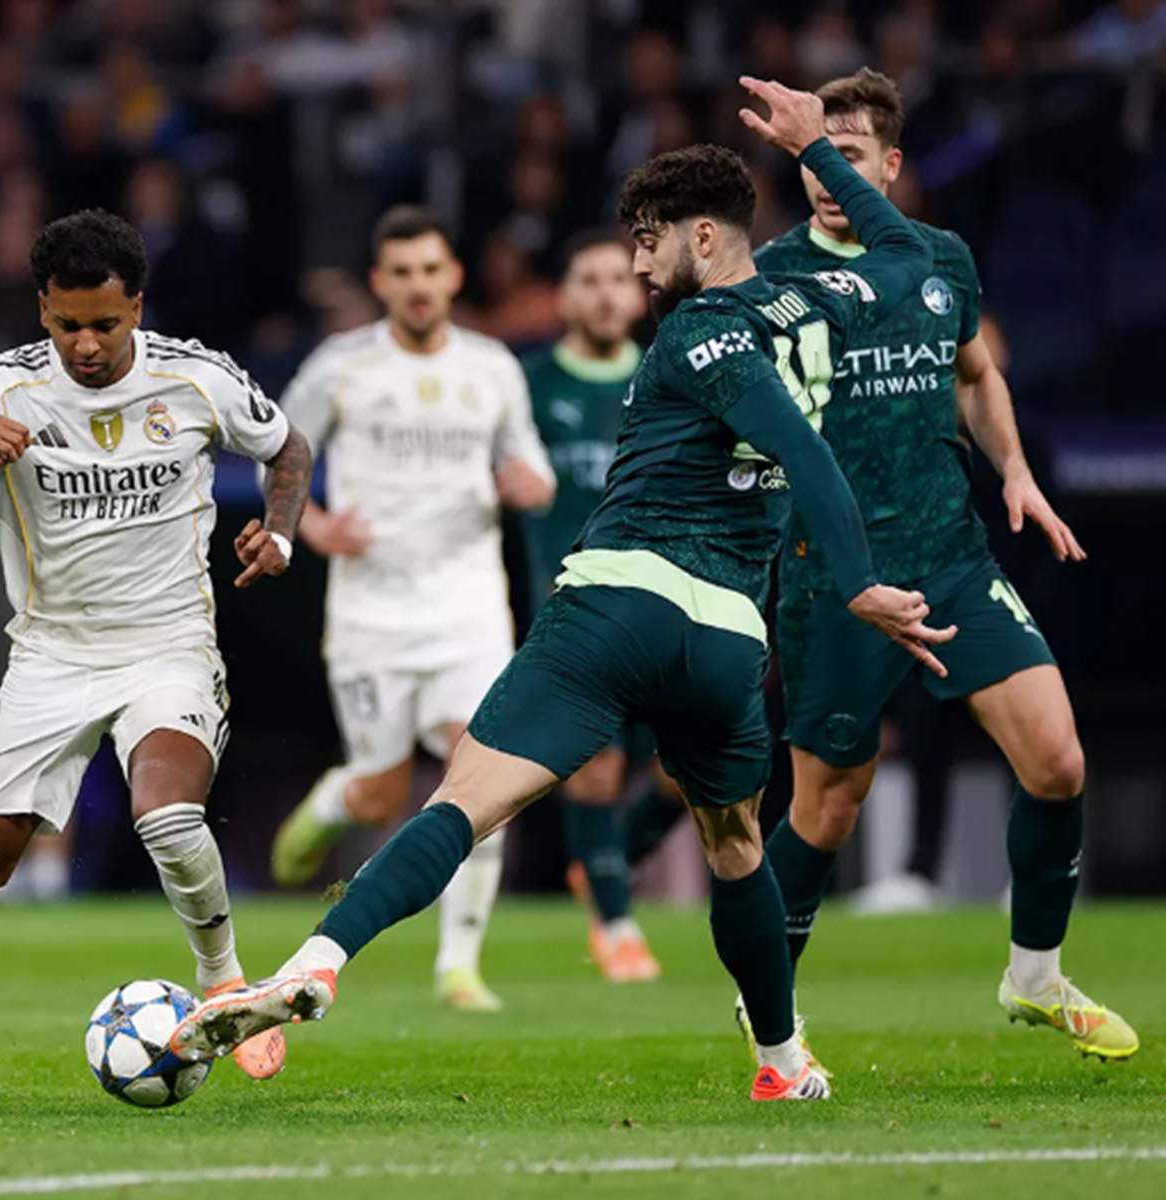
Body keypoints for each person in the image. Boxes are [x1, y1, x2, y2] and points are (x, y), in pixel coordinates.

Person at [169, 77, 955, 1103]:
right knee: (731, 844)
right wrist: (819, 151)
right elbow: (900, 256)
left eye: (648, 238)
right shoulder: (818, 295)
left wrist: (854, 584)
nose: (635, 262)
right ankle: (781, 1060)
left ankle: (314, 965)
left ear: (706, 239)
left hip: (616, 605)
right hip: (725, 635)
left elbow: (803, 452)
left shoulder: (695, 334)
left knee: (459, 804)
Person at [751, 68, 1135, 1061]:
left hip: (948, 553)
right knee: (824, 808)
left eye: (847, 156)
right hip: (835, 574)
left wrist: (1012, 470)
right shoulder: (775, 276)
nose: (826, 176)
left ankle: (1033, 976)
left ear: (890, 164)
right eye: (812, 156)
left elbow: (974, 372)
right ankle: (769, 1011)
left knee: (1055, 761)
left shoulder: (941, 261)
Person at [0, 209, 313, 1080]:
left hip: (168, 642)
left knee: (167, 816)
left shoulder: (196, 378)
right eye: (65, 325)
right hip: (51, 651)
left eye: (105, 324)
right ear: (41, 309)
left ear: (138, 306)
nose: (85, 345)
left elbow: (288, 449)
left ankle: (223, 981)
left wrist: (278, 534)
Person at [265, 206, 554, 1012]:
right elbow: (279, 451)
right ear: (381, 283)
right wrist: (313, 526)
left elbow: (530, 463)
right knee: (383, 797)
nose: (419, 286)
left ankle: (459, 966)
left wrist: (530, 485)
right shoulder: (342, 365)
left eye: (432, 270)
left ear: (453, 276)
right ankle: (334, 800)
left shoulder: (492, 366)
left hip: (467, 607)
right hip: (373, 613)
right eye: (403, 272)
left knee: (483, 775)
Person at [517, 231, 673, 984]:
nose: (609, 292)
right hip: (574, 607)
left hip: (670, 601)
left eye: (621, 278)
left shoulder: (666, 376)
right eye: (591, 278)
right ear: (565, 297)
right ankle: (616, 921)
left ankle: (611, 857)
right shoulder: (530, 386)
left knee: (690, 774)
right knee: (596, 768)